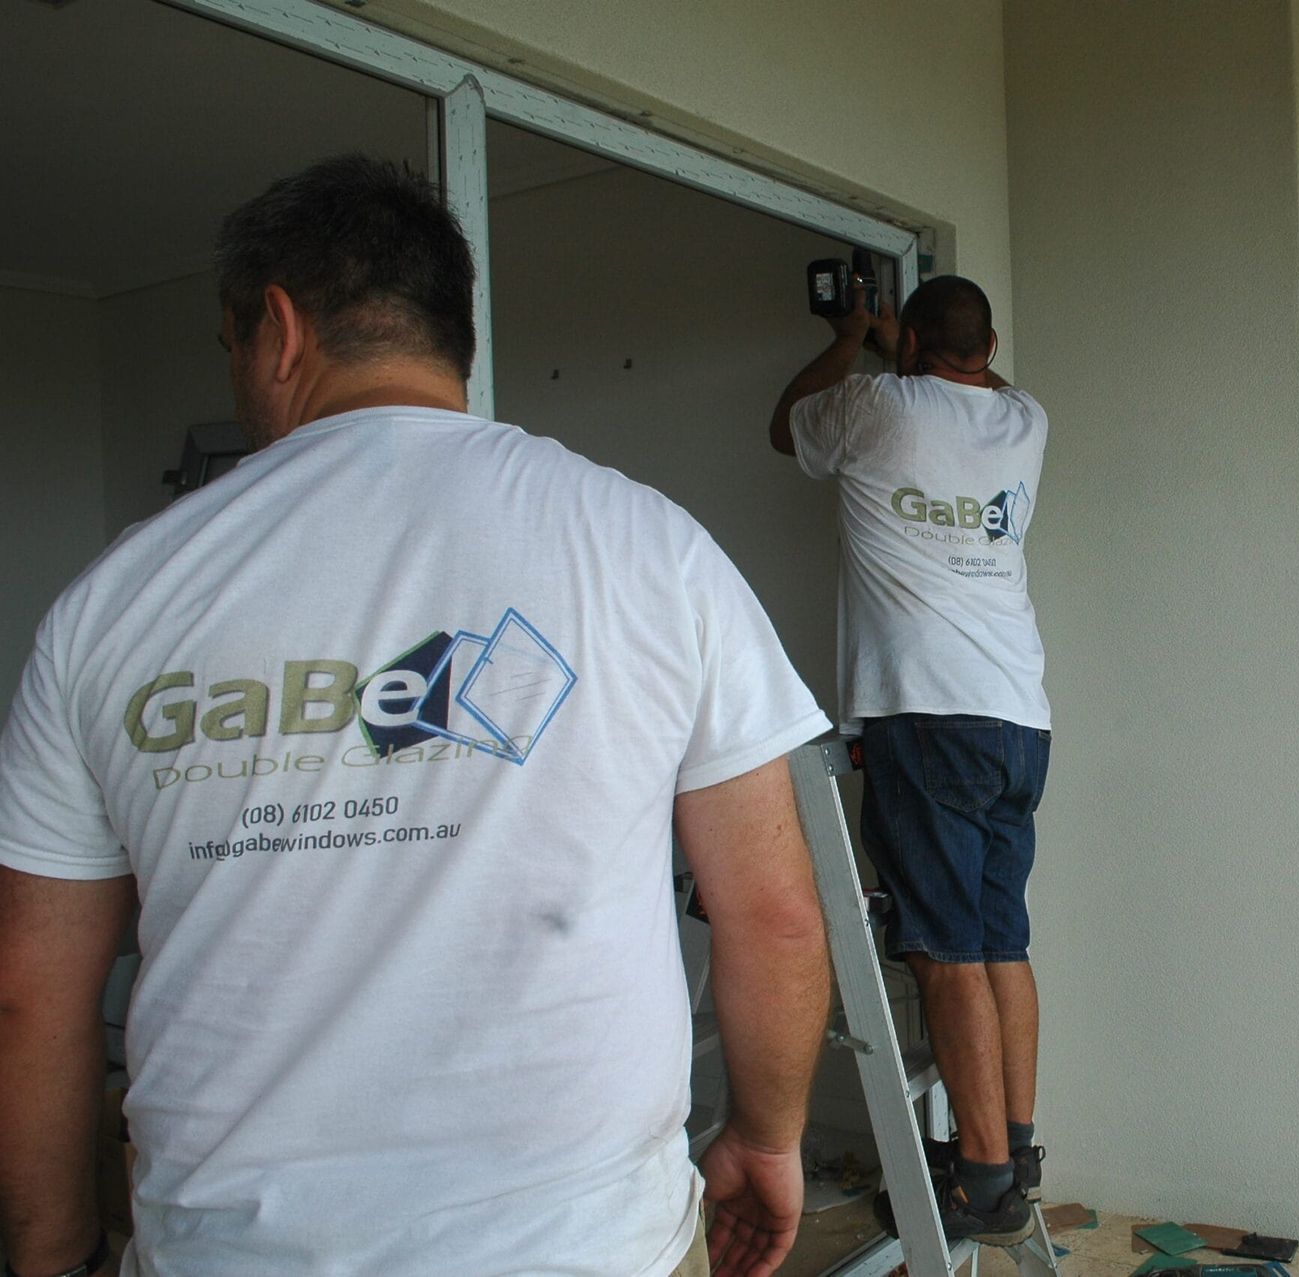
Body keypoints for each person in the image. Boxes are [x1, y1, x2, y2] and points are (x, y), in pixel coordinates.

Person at [0, 155, 832, 1277]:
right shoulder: (649, 546)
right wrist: (767, 1136)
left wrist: (53, 1254)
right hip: (588, 1247)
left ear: (279, 331)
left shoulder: (112, 602)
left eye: (231, 344)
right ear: (455, 335)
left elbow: (30, 993)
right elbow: (775, 917)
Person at [769, 275, 1049, 1245]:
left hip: (926, 712)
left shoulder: (873, 402)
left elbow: (785, 427)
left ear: (915, 342)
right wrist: (919, 344)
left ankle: (982, 1180)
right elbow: (976, 378)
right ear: (991, 346)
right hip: (1018, 716)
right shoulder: (1026, 418)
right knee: (1001, 941)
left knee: (945, 953)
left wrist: (854, 337)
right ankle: (1016, 1148)